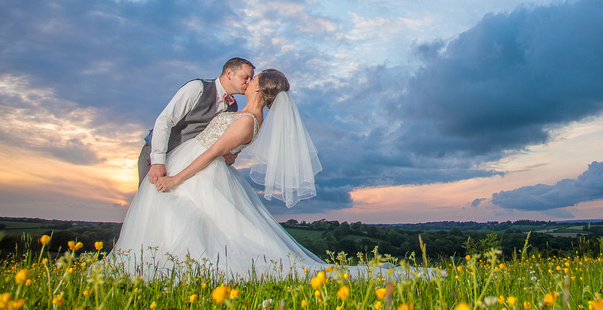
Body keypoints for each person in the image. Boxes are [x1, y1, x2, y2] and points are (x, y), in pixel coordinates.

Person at [106, 69, 438, 282]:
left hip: (196, 170)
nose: (247, 81)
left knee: (191, 223)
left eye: (254, 78)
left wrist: (177, 179)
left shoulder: (247, 121)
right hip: (194, 163)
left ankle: (166, 269)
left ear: (261, 90)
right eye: (246, 77)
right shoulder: (242, 114)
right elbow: (223, 152)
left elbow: (210, 153)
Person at [137, 57, 254, 185]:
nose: (249, 82)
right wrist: (158, 161)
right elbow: (165, 120)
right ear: (229, 74)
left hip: (184, 162)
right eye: (245, 77)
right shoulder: (197, 88)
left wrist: (228, 157)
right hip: (158, 154)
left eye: (251, 79)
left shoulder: (232, 107)